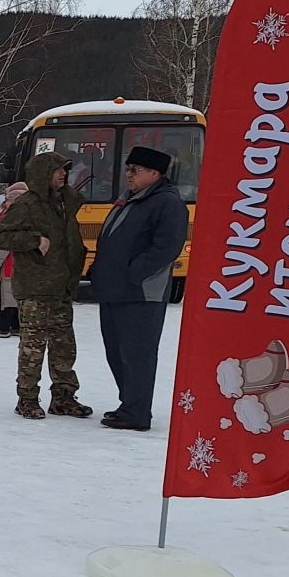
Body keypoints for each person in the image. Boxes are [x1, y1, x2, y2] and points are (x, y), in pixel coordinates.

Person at [90, 145, 188, 431]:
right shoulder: (130, 199)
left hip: (141, 293)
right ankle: (129, 404)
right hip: (114, 290)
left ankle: (137, 412)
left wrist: (133, 273)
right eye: (128, 169)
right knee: (116, 351)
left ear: (155, 174)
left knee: (137, 353)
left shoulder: (167, 203)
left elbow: (166, 247)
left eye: (135, 170)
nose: (128, 175)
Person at [0, 152, 92, 420]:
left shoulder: (64, 201)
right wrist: (35, 240)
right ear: (43, 173)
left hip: (62, 285)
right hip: (36, 287)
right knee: (33, 347)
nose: (63, 174)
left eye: (65, 171)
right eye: (58, 170)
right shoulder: (28, 204)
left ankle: (64, 397)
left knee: (64, 346)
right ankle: (27, 398)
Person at [0, 182, 27, 338]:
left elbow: (5, 244)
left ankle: (3, 327)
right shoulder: (25, 215)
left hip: (8, 264)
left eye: (7, 199)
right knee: (12, 296)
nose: (4, 202)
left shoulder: (12, 217)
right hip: (18, 264)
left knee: (7, 297)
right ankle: (16, 326)